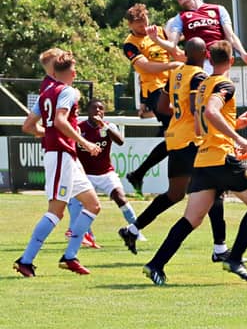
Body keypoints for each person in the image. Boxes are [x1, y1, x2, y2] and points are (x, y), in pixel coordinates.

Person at [142, 40, 247, 285]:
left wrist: (235, 124)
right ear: (231, 61)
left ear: (210, 60)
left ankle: (155, 265)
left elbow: (201, 125)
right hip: (222, 157)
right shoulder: (225, 84)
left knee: (192, 219)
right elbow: (211, 113)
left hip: (203, 159)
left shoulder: (203, 86)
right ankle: (235, 259)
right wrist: (238, 137)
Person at [118, 38, 229, 262]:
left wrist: (178, 118)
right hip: (191, 141)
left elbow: (161, 107)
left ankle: (132, 230)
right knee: (215, 191)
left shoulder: (176, 73)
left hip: (175, 139)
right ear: (204, 54)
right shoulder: (199, 76)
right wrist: (196, 121)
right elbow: (194, 104)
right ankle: (220, 249)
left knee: (174, 194)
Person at [15, 52, 102, 276]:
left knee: (93, 205)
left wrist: (49, 132)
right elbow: (61, 120)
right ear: (70, 72)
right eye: (74, 69)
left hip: (66, 156)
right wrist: (84, 142)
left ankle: (70, 256)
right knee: (56, 212)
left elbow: (28, 126)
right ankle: (26, 260)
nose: (76, 72)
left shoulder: (47, 92)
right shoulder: (67, 91)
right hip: (61, 155)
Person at [123, 3, 183, 194]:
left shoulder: (158, 32)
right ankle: (173, 184)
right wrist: (171, 66)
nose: (144, 28)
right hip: (155, 91)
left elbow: (175, 50)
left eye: (145, 22)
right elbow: (146, 67)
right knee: (176, 134)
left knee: (175, 136)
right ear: (130, 25)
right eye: (139, 25)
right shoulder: (130, 44)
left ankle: (138, 174)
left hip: (174, 85)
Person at [147, 0, 247, 74]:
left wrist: (243, 53)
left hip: (219, 60)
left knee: (219, 96)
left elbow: (230, 35)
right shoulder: (180, 18)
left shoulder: (218, 9)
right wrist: (156, 39)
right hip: (199, 63)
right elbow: (172, 45)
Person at [76, 99, 144, 241]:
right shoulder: (79, 128)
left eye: (101, 108)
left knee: (121, 198)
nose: (98, 111)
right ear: (88, 111)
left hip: (106, 173)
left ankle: (135, 230)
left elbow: (120, 141)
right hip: (85, 175)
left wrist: (105, 127)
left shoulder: (108, 126)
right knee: (83, 205)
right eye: (94, 108)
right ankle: (87, 235)